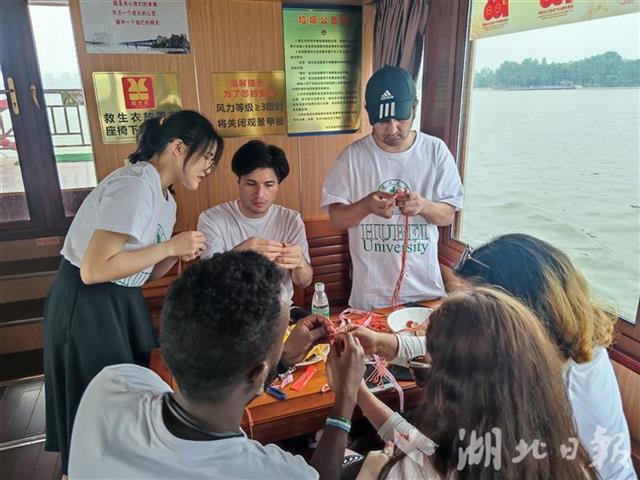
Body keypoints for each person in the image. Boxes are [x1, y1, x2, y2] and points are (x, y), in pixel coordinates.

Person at [352, 234, 635, 479]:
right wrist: (386, 345)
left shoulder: (555, 393)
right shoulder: (562, 353)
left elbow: (435, 462)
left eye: (476, 317)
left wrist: (355, 396)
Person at [68, 251, 366, 479]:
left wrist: (282, 357)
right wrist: (346, 397)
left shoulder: (113, 384)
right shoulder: (269, 472)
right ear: (258, 374)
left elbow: (217, 392)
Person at [43, 110, 224, 475]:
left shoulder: (166, 198)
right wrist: (169, 247)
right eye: (206, 157)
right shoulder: (136, 183)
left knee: (125, 400)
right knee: (95, 403)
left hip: (122, 301)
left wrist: (175, 253)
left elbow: (142, 272)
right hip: (87, 302)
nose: (209, 168)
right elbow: (94, 270)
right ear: (177, 147)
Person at [355, 287, 598, 480]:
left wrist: (372, 472)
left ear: (453, 387)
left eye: (429, 368)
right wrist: (358, 390)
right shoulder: (571, 462)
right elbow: (426, 451)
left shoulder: (411, 472)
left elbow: (423, 461)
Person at [321, 65, 463, 310]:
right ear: (368, 112)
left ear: (414, 108)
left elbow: (447, 215)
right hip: (370, 297)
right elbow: (337, 219)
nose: (393, 128)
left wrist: (423, 206)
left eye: (401, 119)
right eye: (383, 121)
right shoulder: (351, 158)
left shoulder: (435, 151)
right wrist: (366, 206)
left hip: (425, 292)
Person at [198, 139, 313, 310]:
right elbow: (208, 280)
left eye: (269, 185)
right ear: (238, 180)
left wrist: (300, 263)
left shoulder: (290, 219)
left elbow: (304, 282)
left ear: (278, 185)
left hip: (278, 311)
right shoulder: (212, 219)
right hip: (228, 311)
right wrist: (239, 254)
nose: (260, 194)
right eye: (251, 184)